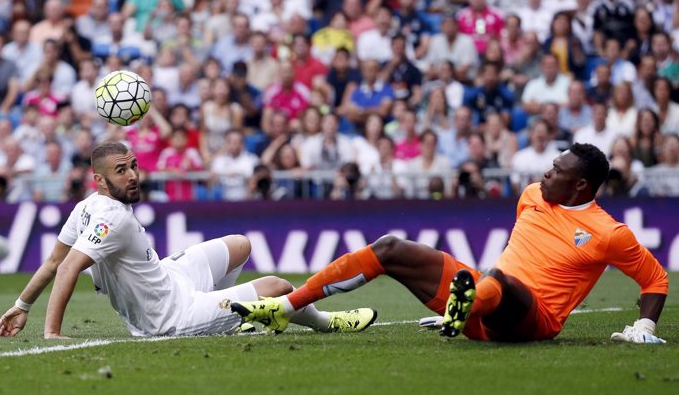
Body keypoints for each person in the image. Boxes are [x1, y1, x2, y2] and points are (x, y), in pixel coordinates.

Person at [229, 143, 668, 345]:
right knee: (390, 247)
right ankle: (285, 310)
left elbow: (655, 278)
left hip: (530, 321)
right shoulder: (532, 195)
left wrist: (644, 328)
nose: (545, 174)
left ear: (581, 186)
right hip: (481, 298)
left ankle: (466, 306)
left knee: (502, 281)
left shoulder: (609, 232)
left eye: (557, 171)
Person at [0, 142, 377, 339]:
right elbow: (63, 268)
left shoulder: (88, 206)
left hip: (170, 278)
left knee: (240, 244)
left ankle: (233, 319)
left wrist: (21, 304)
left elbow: (50, 262)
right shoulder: (109, 216)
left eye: (133, 166)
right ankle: (327, 323)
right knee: (277, 286)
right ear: (99, 180)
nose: (132, 176)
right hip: (170, 318)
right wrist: (51, 333)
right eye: (121, 171)